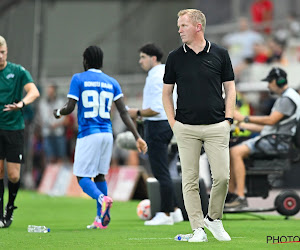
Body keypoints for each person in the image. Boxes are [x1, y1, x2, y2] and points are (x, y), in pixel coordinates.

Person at [53, 45, 147, 229]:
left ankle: (101, 199)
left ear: (85, 61)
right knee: (100, 176)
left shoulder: (78, 78)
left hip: (89, 133)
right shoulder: (112, 82)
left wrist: (58, 112)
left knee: (82, 177)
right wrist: (137, 136)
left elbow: (70, 107)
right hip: (107, 134)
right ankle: (100, 218)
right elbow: (124, 113)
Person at [162, 9, 236, 242]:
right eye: (179, 26)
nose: (179, 30)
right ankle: (197, 230)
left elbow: (231, 88)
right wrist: (173, 123)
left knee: (222, 177)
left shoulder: (221, 54)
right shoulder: (174, 57)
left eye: (183, 25)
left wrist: (228, 119)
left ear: (198, 27)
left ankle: (213, 220)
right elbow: (166, 93)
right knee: (190, 181)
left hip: (217, 126)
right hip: (186, 127)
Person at [226, 67, 300, 209]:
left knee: (235, 152)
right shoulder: (289, 97)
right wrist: (243, 125)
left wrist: (245, 118)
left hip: (278, 142)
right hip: (278, 138)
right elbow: (272, 127)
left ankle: (240, 197)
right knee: (233, 152)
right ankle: (230, 194)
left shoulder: (286, 99)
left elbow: (271, 121)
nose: (268, 85)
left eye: (269, 82)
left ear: (277, 81)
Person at [128, 43, 183, 226]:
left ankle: (166, 213)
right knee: (163, 170)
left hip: (158, 125)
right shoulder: (163, 73)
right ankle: (175, 211)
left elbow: (156, 109)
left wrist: (135, 112)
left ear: (153, 58)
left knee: (160, 171)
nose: (140, 61)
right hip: (166, 124)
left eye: (143, 57)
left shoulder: (155, 76)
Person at [0, 35, 40, 228]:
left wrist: (22, 103)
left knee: (14, 175)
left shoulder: (17, 71)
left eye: (2, 52)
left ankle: (10, 206)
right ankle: (0, 214)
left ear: (7, 52)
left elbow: (34, 91)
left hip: (14, 128)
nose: (0, 56)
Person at [39, 84, 67, 164]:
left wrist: (57, 124)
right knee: (49, 156)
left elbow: (64, 116)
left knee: (60, 155)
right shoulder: (43, 103)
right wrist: (49, 124)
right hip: (47, 132)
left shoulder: (60, 102)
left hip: (58, 132)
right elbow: (42, 116)